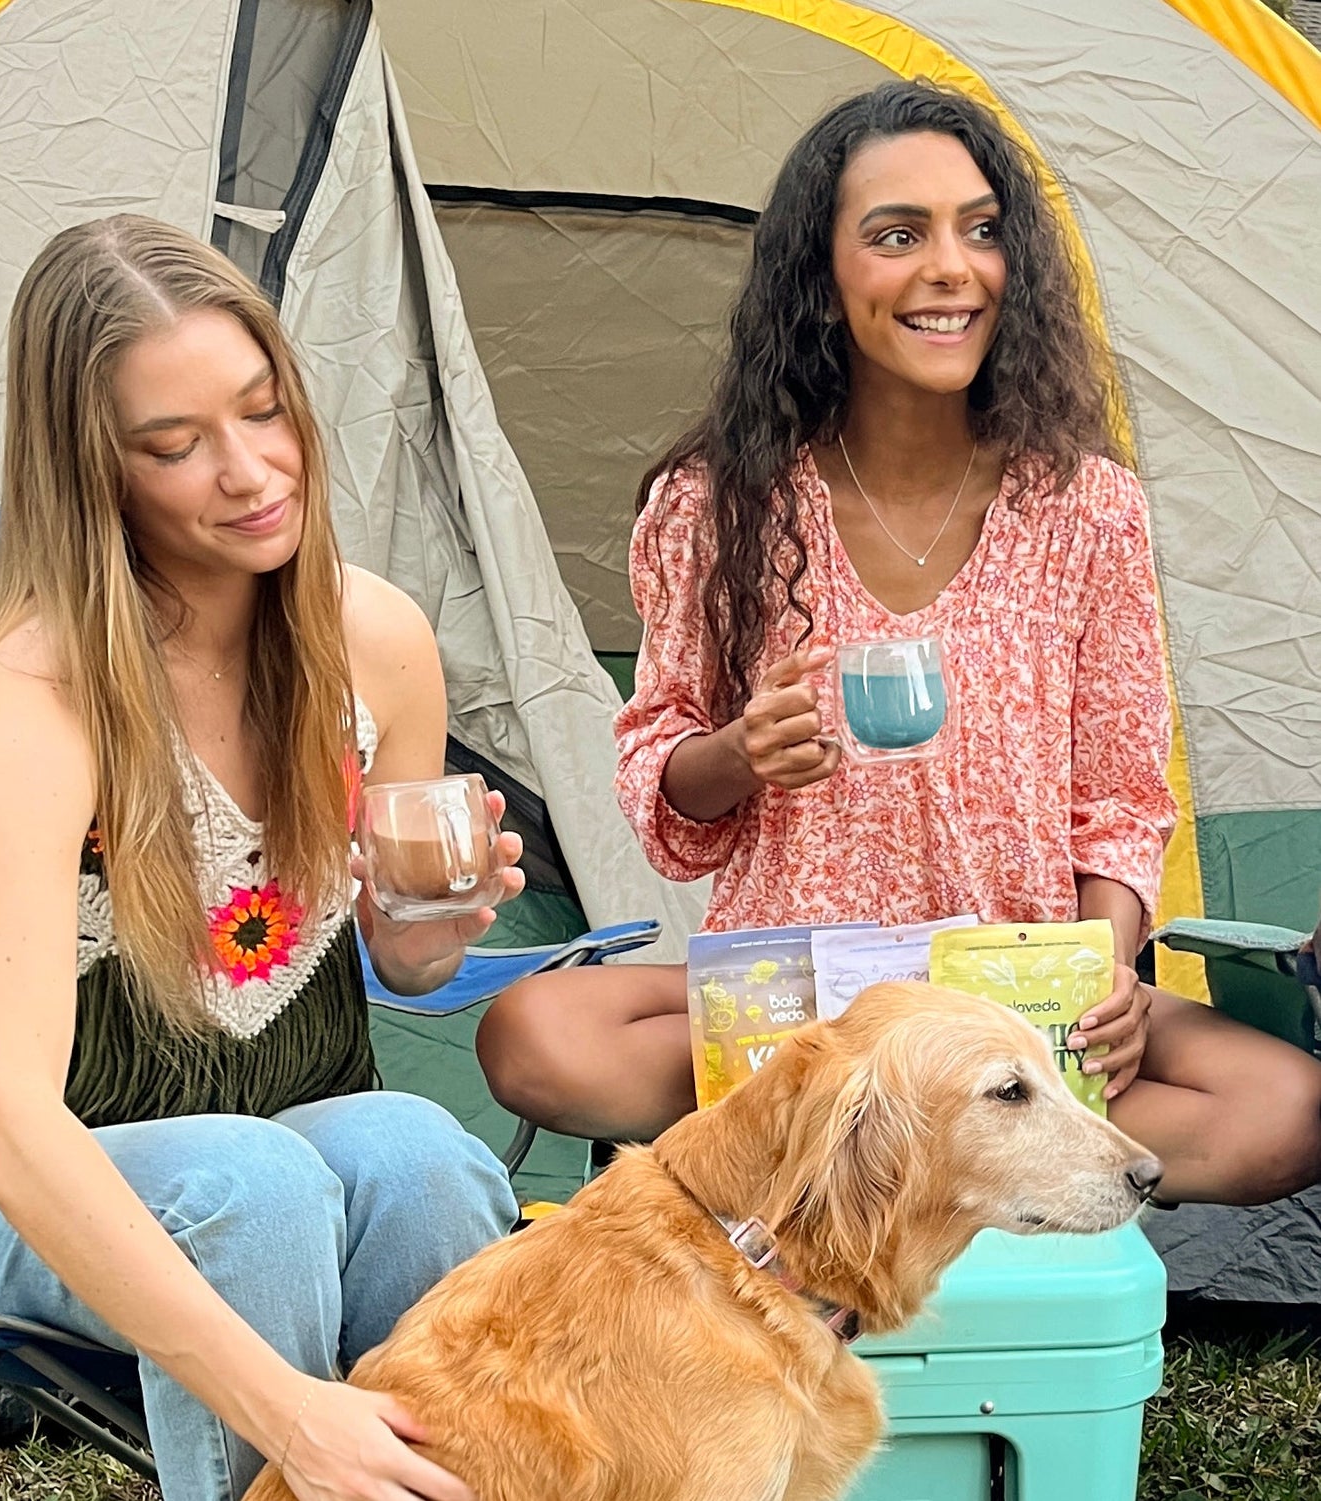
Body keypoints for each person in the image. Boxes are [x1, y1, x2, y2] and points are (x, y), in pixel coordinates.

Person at [476, 80, 1321, 1209]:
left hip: (1015, 996)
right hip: (808, 1003)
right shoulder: (716, 502)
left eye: (981, 230)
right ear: (820, 279)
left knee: (1283, 1107)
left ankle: (875, 1165)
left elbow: (1121, 802)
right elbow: (661, 774)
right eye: (896, 235)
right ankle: (957, 1170)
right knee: (534, 1034)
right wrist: (739, 750)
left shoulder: (1087, 507)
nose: (950, 268)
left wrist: (1103, 968)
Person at [0, 215, 522, 1501]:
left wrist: (430, 937)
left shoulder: (376, 641)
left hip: (285, 1120)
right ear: (96, 473)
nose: (251, 470)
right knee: (251, 1182)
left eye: (265, 410)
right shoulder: (41, 695)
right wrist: (292, 1414)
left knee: (422, 1149)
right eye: (175, 445)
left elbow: (396, 941)